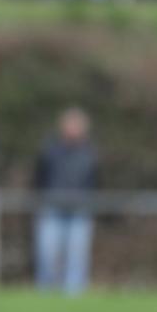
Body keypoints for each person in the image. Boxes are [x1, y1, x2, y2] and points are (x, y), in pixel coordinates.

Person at [33, 107, 99, 295]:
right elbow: (39, 177)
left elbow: (95, 181)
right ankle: (45, 292)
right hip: (52, 208)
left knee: (77, 256)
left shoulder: (90, 153)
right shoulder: (50, 150)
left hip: (80, 210)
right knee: (48, 254)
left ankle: (74, 295)